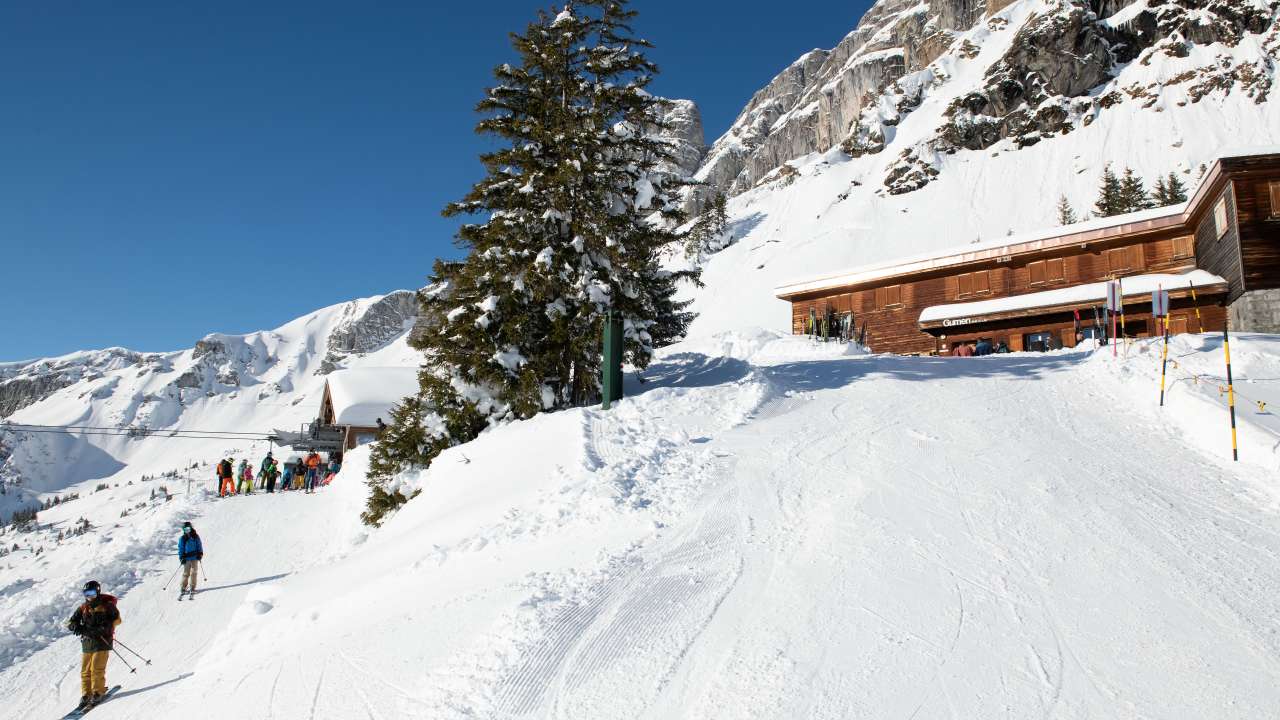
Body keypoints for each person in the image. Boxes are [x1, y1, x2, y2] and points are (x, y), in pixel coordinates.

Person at [66, 580, 121, 709]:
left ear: (98, 592)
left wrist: (101, 629)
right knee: (85, 671)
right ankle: (86, 694)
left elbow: (116, 620)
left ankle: (98, 692)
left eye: (92, 593)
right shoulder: (83, 607)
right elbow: (71, 621)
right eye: (86, 594)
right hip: (87, 643)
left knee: (96, 668)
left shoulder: (107, 606)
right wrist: (75, 626)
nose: (89, 596)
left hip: (102, 641)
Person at [178, 522, 204, 597]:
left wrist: (200, 553)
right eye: (185, 529)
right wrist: (181, 557)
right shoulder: (183, 538)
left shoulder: (195, 536)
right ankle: (183, 587)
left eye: (188, 529)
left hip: (195, 557)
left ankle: (192, 586)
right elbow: (181, 548)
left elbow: (199, 545)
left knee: (194, 572)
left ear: (191, 528)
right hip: (186, 558)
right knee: (186, 573)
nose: (187, 531)